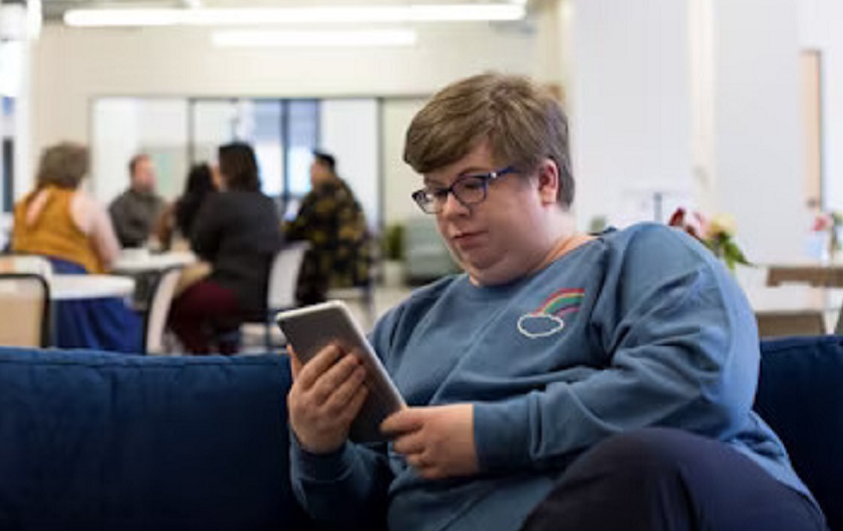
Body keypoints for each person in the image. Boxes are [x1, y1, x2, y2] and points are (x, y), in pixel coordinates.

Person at [286, 73, 826, 531]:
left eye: (472, 184)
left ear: (545, 180)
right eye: (435, 191)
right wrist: (321, 448)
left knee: (643, 461)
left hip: (687, 499)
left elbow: (702, 386)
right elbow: (360, 510)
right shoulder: (405, 325)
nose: (450, 210)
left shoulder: (643, 258)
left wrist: (485, 437)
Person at [11, 142, 141, 353]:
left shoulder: (24, 205)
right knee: (130, 327)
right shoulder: (82, 203)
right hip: (77, 305)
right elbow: (111, 256)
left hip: (30, 305)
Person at [168, 143, 281, 355]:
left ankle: (205, 361)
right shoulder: (268, 203)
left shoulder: (221, 201)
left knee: (171, 305)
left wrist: (217, 187)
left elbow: (198, 245)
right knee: (208, 306)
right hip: (263, 294)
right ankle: (226, 356)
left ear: (225, 168)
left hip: (233, 291)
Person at [284, 151, 371, 306]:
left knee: (297, 274)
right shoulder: (314, 195)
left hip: (337, 266)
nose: (310, 174)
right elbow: (297, 227)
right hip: (321, 261)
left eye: (314, 169)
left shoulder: (338, 195)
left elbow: (346, 239)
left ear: (326, 170)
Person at [109, 153, 166, 249]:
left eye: (152, 171)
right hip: (133, 259)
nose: (151, 175)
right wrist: (148, 239)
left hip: (163, 257)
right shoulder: (120, 205)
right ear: (133, 175)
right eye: (145, 171)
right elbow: (121, 234)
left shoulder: (161, 203)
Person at [154, 163, 215, 251]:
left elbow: (165, 231)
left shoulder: (179, 204)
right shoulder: (216, 204)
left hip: (183, 250)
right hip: (209, 252)